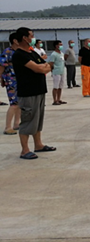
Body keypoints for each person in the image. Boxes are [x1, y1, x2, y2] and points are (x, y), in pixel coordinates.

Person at [12, 27, 54, 160]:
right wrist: (44, 67)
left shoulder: (32, 53)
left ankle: (38, 145)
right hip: (28, 92)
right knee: (28, 120)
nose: (33, 38)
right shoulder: (19, 55)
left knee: (38, 120)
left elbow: (46, 65)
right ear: (25, 38)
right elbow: (39, 69)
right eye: (31, 35)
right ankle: (25, 150)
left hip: (39, 90)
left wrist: (45, 67)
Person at [0, 33, 21, 135]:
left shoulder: (19, 51)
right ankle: (8, 127)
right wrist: (1, 79)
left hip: (20, 80)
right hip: (11, 80)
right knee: (13, 104)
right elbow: (2, 66)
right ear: (15, 41)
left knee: (19, 103)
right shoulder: (7, 52)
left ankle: (17, 123)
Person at [47, 41, 67, 105]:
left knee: (60, 86)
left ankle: (59, 99)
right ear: (56, 46)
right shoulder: (53, 54)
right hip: (56, 72)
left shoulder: (61, 53)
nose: (61, 46)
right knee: (56, 86)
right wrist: (52, 71)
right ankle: (54, 100)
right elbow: (51, 63)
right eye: (60, 45)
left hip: (62, 71)